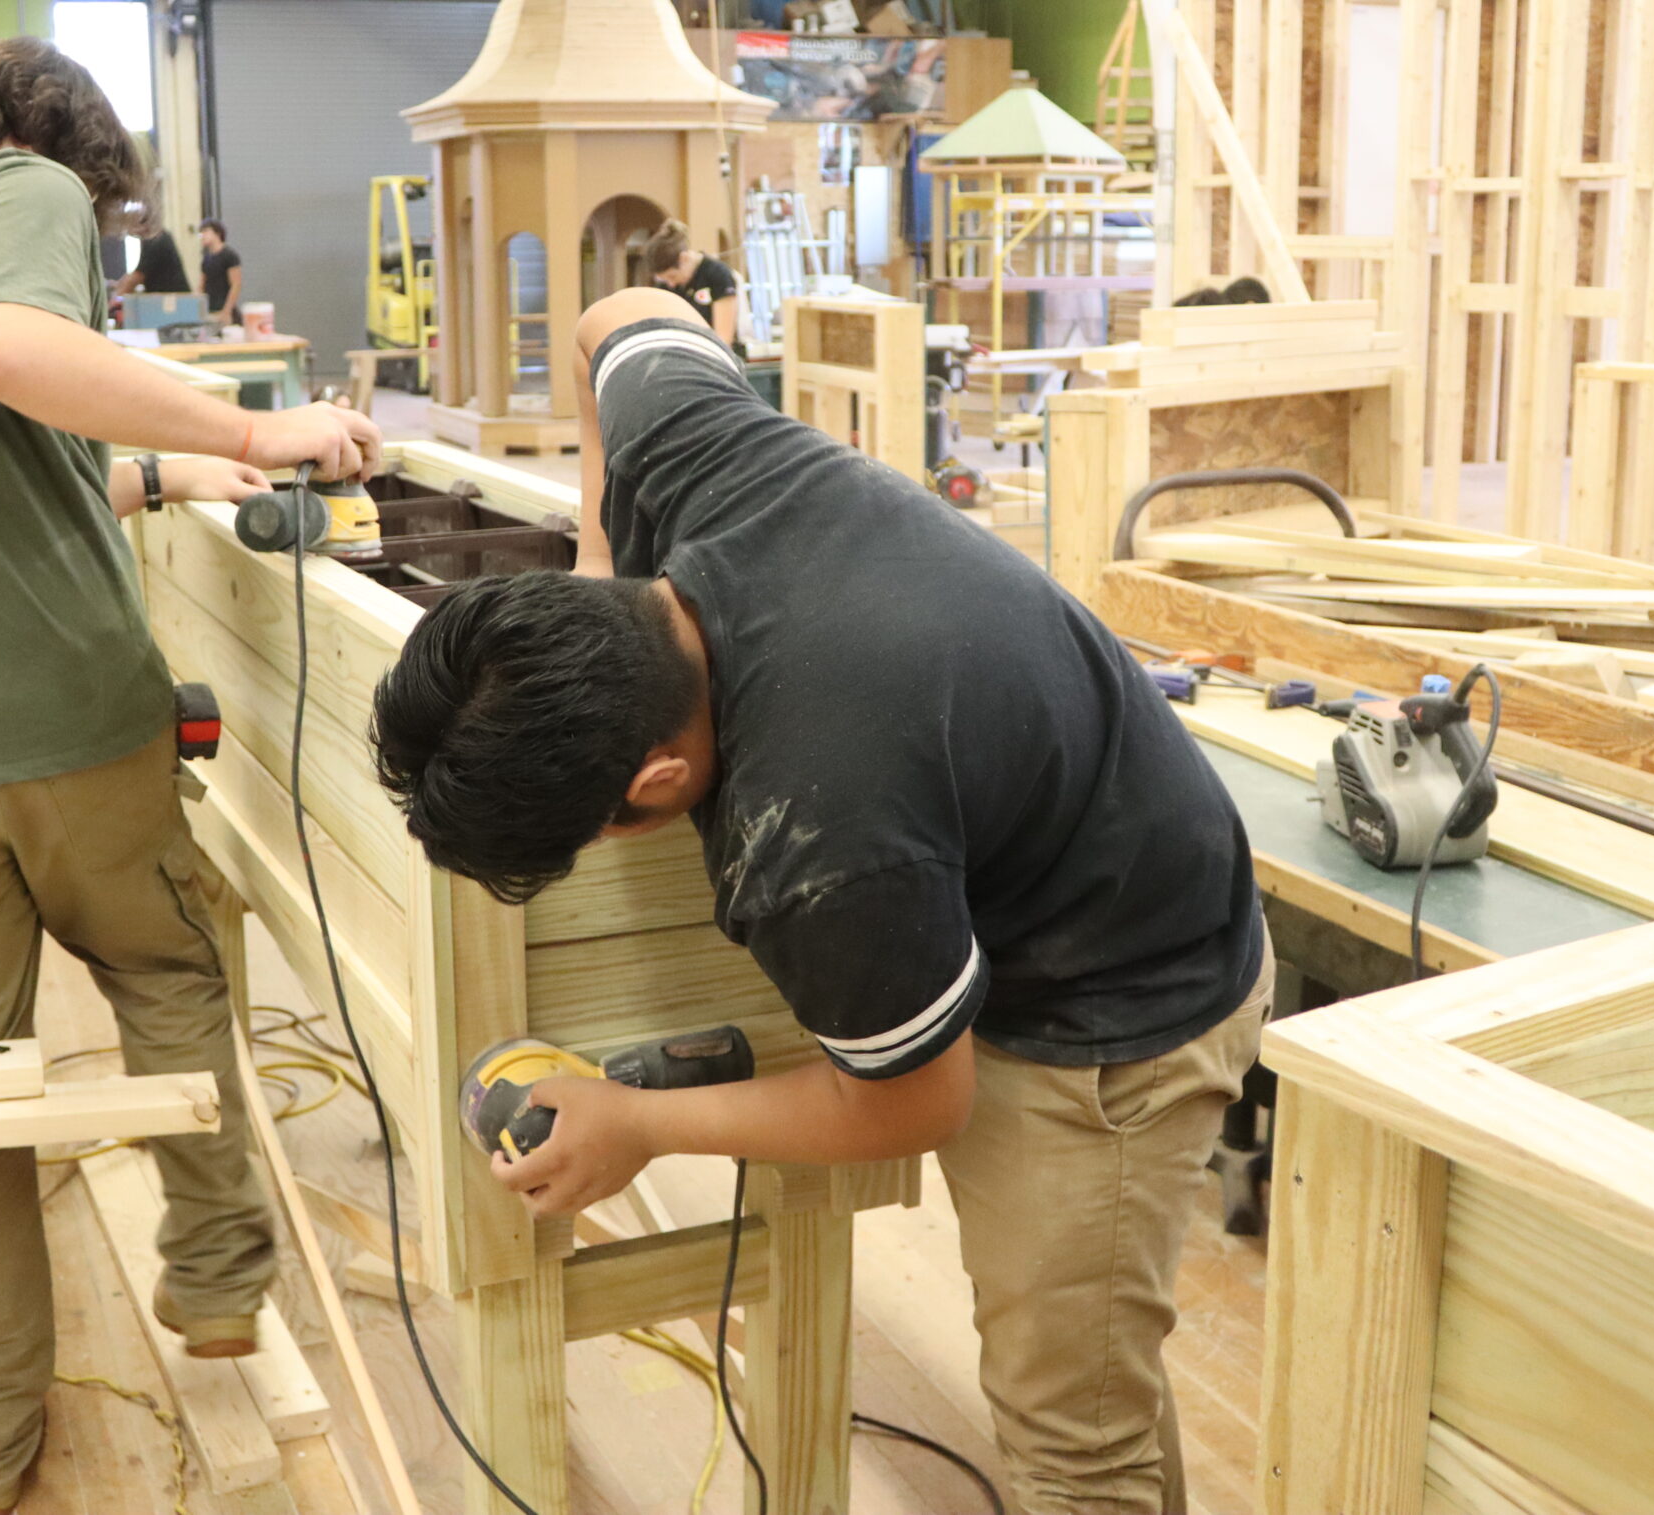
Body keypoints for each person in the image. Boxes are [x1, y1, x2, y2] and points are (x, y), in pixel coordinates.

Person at [369, 287, 1270, 1515]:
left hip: (1118, 1002)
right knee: (1096, 1365)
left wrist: (635, 1125)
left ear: (656, 782)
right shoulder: (694, 455)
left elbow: (911, 1102)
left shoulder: (817, 840)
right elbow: (619, 313)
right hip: (1068, 825)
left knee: (1068, 1432)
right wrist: (593, 556)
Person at [0, 36, 382, 1515]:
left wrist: (171, 473)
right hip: (63, 706)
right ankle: (222, 1271)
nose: (95, 242)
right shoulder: (17, 176)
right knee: (167, 970)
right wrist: (256, 424)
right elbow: (9, 354)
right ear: (37, 148)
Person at [644, 221, 742, 352]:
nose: (671, 284)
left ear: (683, 258)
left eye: (672, 276)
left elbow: (723, 337)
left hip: (714, 355)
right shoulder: (665, 286)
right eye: (665, 280)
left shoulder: (717, 274)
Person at [111, 224, 192, 298]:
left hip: (173, 300)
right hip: (170, 298)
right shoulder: (156, 235)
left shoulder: (155, 238)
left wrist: (115, 299)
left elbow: (137, 276)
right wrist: (120, 284)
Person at [199, 219, 243, 326]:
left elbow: (236, 285)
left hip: (225, 311)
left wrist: (226, 311)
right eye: (201, 233)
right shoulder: (206, 258)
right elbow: (201, 285)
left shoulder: (229, 255)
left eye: (206, 231)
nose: (202, 235)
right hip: (210, 310)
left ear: (217, 233)